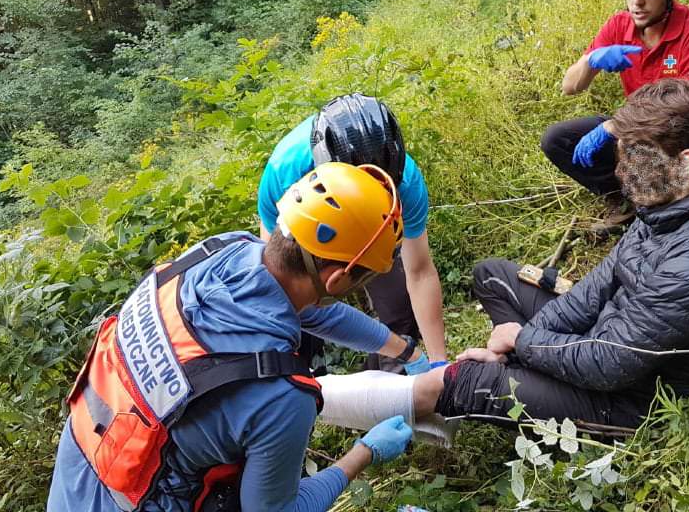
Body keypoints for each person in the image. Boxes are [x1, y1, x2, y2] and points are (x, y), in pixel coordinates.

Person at [317, 79, 689, 431]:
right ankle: (510, 369)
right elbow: (591, 293)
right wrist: (517, 349)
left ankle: (321, 400)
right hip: (609, 340)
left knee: (467, 380)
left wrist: (521, 342)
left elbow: (610, 363)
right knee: (494, 276)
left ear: (685, 163)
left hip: (636, 399)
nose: (621, 171)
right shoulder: (664, 209)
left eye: (634, 159)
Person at [48, 163, 427, 512]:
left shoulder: (220, 252)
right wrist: (365, 452)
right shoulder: (281, 397)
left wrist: (402, 349)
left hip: (77, 470)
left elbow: (313, 310)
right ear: (338, 279)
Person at [258, 93, 447, 372]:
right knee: (299, 306)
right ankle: (307, 378)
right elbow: (278, 279)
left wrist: (439, 362)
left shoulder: (404, 182)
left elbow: (419, 272)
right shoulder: (285, 171)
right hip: (309, 229)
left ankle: (397, 378)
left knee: (396, 309)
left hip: (378, 230)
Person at [542, 0, 689, 230]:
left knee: (639, 145)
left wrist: (614, 126)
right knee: (557, 139)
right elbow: (570, 87)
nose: (637, 1)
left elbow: (686, 107)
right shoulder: (618, 25)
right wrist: (591, 61)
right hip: (638, 127)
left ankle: (662, 202)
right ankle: (625, 198)